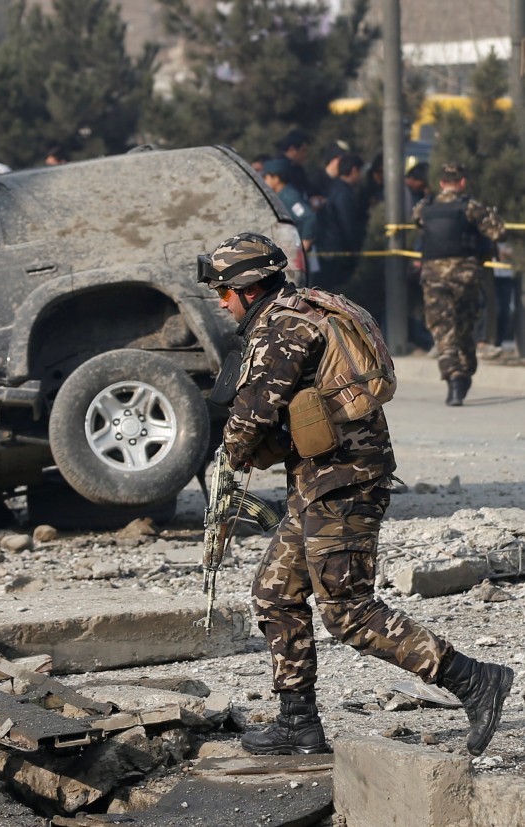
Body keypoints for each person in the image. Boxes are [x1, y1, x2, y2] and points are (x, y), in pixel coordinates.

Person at [196, 232, 515, 758]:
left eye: (224, 292)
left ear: (248, 288)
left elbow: (252, 413)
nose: (222, 302)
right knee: (275, 593)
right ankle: (297, 722)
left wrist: (226, 462)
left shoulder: (285, 327)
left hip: (343, 483)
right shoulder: (298, 311)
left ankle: (473, 679)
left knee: (347, 610)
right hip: (319, 480)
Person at [411, 162, 506, 405]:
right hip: (465, 277)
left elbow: (418, 223)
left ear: (441, 183)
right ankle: (459, 374)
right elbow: (497, 231)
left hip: (434, 277)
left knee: (442, 328)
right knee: (463, 326)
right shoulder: (471, 207)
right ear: (462, 182)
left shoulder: (425, 206)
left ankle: (456, 375)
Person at [314, 153, 364, 293]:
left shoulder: (333, 188)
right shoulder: (344, 194)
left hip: (327, 249)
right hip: (336, 252)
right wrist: (353, 250)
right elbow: (347, 224)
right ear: (354, 170)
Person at [262, 159, 316, 252]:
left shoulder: (289, 197)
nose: (264, 181)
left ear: (276, 178)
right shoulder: (278, 196)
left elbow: (308, 217)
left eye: (266, 177)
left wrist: (304, 244)